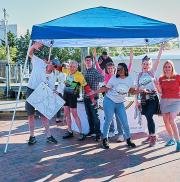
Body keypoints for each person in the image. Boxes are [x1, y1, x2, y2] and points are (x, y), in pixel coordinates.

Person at [90, 63, 137, 149]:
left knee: (125, 122)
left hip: (120, 103)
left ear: (125, 69)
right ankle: (105, 139)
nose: (118, 70)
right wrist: (94, 92)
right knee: (108, 120)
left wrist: (141, 91)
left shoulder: (130, 79)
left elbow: (132, 91)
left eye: (120, 69)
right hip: (109, 101)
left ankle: (128, 139)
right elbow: (106, 88)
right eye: (118, 69)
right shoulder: (114, 78)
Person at [94, 48, 134, 142]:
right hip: (108, 99)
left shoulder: (119, 75)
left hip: (119, 100)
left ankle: (120, 134)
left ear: (114, 68)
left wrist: (131, 56)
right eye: (109, 68)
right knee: (108, 117)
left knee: (119, 118)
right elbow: (97, 66)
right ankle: (110, 131)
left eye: (112, 68)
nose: (110, 69)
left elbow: (129, 66)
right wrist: (95, 57)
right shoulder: (105, 75)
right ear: (107, 69)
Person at [25, 42, 58, 145]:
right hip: (31, 89)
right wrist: (33, 47)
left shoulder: (53, 76)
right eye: (52, 63)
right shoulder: (39, 62)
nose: (52, 66)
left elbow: (51, 89)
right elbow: (29, 54)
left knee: (43, 116)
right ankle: (32, 136)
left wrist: (54, 93)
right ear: (49, 62)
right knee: (30, 115)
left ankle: (49, 136)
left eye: (55, 66)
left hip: (41, 93)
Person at [58, 60, 96, 141]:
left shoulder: (79, 75)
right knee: (67, 114)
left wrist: (92, 98)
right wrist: (51, 65)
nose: (71, 68)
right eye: (70, 66)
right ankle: (69, 131)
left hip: (73, 96)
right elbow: (60, 68)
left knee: (74, 115)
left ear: (77, 67)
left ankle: (81, 133)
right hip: (65, 95)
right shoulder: (68, 70)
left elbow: (86, 87)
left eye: (73, 66)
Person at [135, 44, 164, 147]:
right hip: (143, 99)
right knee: (147, 117)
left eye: (148, 64)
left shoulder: (152, 73)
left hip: (152, 98)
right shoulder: (139, 75)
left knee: (149, 115)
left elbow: (158, 60)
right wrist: (136, 101)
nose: (146, 65)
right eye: (144, 64)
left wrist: (161, 49)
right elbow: (137, 89)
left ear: (150, 65)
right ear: (141, 64)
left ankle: (153, 136)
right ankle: (151, 135)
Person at [155, 60, 180, 152]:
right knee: (166, 121)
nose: (167, 68)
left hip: (176, 101)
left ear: (172, 67)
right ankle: (171, 139)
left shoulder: (178, 77)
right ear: (163, 68)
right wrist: (157, 85)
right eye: (166, 67)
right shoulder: (161, 78)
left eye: (169, 66)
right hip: (164, 101)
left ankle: (178, 142)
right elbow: (160, 92)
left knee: (171, 120)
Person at [83, 55, 104, 141]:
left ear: (92, 62)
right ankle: (91, 131)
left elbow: (102, 79)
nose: (88, 62)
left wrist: (94, 90)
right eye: (86, 60)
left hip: (94, 97)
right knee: (89, 115)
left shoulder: (95, 71)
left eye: (89, 60)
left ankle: (98, 133)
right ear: (85, 62)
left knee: (95, 116)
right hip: (86, 97)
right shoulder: (85, 71)